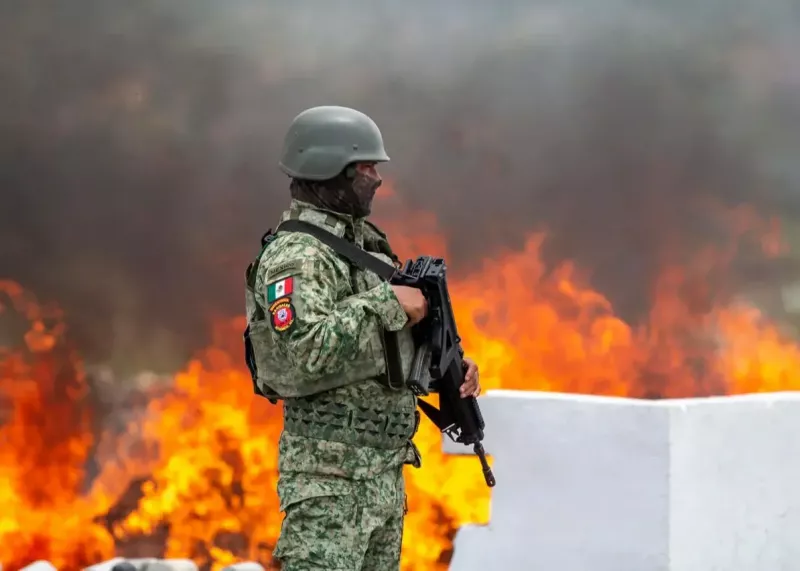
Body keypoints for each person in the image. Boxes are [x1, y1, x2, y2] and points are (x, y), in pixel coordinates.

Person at [243, 105, 481, 570]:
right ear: (330, 172)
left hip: (381, 476)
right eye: (367, 168)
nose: (377, 179)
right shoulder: (300, 256)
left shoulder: (364, 246)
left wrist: (445, 367)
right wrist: (388, 303)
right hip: (329, 482)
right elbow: (309, 349)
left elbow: (373, 351)